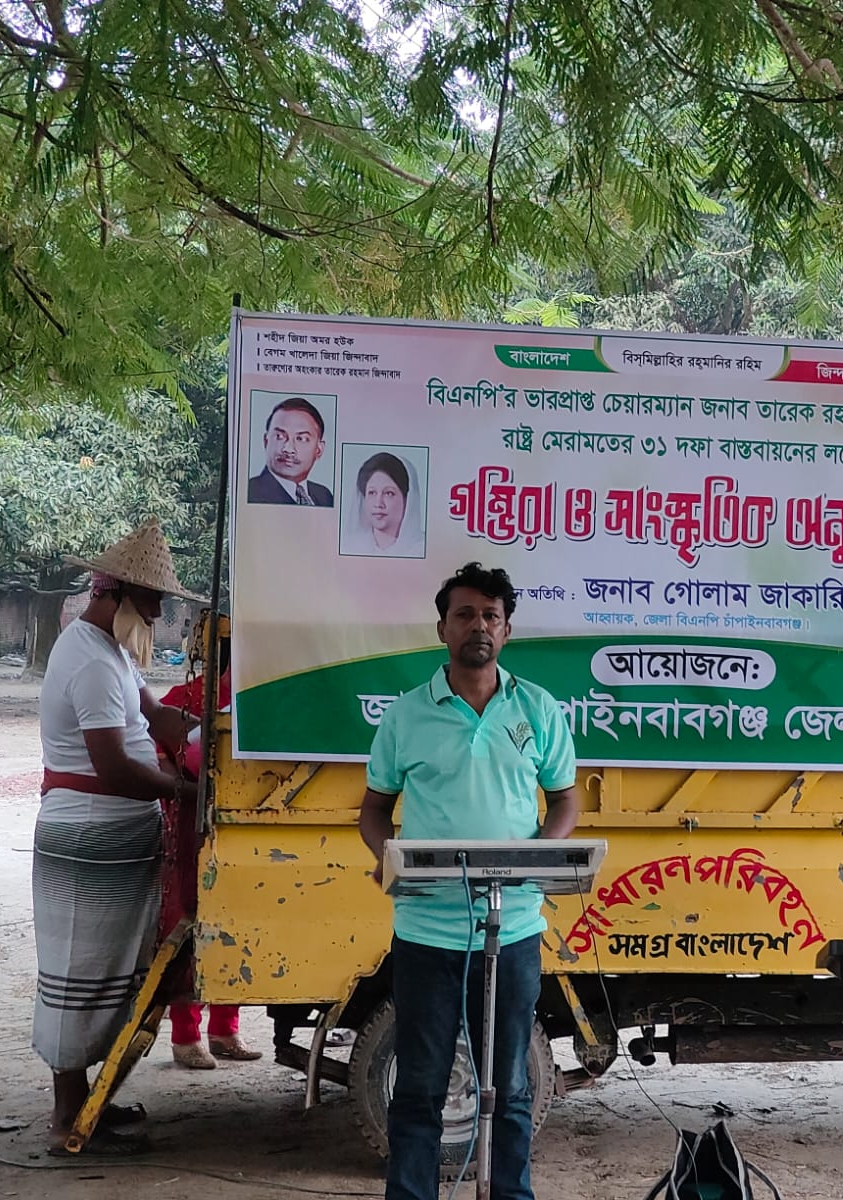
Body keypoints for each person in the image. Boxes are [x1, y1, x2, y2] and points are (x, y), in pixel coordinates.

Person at [359, 562, 580, 1200]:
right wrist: (385, 854)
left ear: (506, 630)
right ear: (442, 629)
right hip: (426, 931)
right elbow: (374, 810)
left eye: (490, 616)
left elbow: (565, 800)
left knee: (509, 1085)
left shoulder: (537, 708)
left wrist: (541, 856)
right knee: (420, 1086)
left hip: (513, 929)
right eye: (464, 615)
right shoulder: (406, 715)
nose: (478, 625)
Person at [34, 519, 205, 1156]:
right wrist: (184, 790)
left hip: (114, 837)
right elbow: (113, 765)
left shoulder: (112, 653)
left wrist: (211, 733)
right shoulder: (90, 660)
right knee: (80, 975)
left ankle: (89, 1105)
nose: (158, 614)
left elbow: (156, 715)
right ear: (121, 594)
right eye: (153, 601)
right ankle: (67, 1117)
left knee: (109, 976)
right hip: (89, 835)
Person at [151, 620, 261, 1069]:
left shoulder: (261, 699)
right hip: (191, 827)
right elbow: (158, 759)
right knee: (191, 921)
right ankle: (186, 1034)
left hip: (240, 825)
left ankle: (223, 1029)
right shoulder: (182, 700)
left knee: (237, 917)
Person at [247, 397, 333, 506]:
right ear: (266, 441)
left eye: (301, 439)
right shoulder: (250, 493)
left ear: (319, 449)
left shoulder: (324, 496)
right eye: (280, 436)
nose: (288, 449)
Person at [341, 451, 424, 557]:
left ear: (407, 498)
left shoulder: (421, 549)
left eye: (389, 493)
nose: (378, 503)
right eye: (372, 492)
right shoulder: (350, 547)